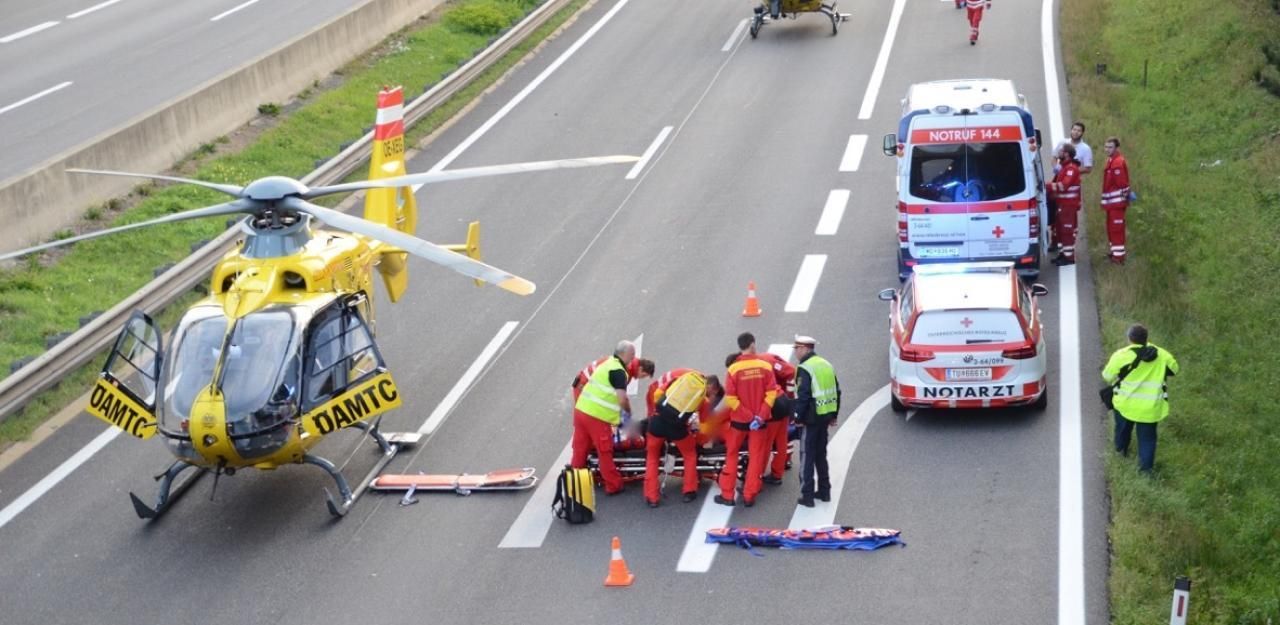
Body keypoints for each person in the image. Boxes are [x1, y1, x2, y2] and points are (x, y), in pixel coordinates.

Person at [1102, 324, 1179, 473]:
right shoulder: (1162, 354)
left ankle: (1121, 453)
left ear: (1130, 339)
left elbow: (1107, 376)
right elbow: (1175, 369)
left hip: (1125, 404)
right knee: (1148, 440)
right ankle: (1146, 471)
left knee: (1122, 431)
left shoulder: (1121, 355)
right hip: (1150, 407)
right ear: (1146, 338)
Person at [643, 369, 723, 507]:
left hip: (657, 423)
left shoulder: (680, 381)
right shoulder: (702, 399)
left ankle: (652, 497)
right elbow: (704, 427)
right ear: (712, 387)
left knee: (652, 458)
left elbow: (657, 395)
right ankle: (689, 491)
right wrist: (699, 439)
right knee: (690, 455)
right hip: (677, 428)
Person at [716, 332, 779, 507]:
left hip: (739, 422)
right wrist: (759, 416)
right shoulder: (765, 366)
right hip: (760, 423)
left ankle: (727, 495)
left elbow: (731, 399)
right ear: (752, 344)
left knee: (732, 455)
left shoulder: (733, 369)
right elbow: (772, 393)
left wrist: (747, 416)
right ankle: (749, 495)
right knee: (756, 457)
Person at [571, 340, 638, 495]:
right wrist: (628, 412)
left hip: (581, 411)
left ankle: (574, 482)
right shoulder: (619, 371)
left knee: (581, 449)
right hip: (596, 417)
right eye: (632, 355)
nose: (633, 358)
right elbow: (622, 399)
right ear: (625, 354)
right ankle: (613, 485)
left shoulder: (607, 364)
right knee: (605, 451)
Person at [729, 335, 797, 486]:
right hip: (783, 403)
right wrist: (788, 395)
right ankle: (777, 474)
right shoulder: (766, 360)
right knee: (781, 441)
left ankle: (756, 478)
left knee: (764, 445)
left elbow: (791, 372)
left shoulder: (761, 363)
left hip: (774, 405)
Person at [792, 335, 841, 508]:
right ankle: (824, 491)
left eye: (796, 348)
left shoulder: (805, 368)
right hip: (825, 416)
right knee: (821, 456)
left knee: (807, 456)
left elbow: (803, 396)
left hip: (811, 420)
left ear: (805, 348)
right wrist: (834, 414)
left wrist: (797, 417)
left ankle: (807, 496)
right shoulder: (826, 364)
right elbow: (836, 391)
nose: (795, 352)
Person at [1048, 143, 1083, 266]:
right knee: (1061, 230)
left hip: (1068, 206)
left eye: (1061, 151)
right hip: (1063, 205)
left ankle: (1069, 258)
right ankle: (1063, 254)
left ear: (1066, 154)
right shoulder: (1064, 168)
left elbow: (1063, 186)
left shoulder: (1071, 169)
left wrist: (1046, 186)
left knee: (1067, 231)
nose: (1059, 153)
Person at [1101, 136, 1131, 264]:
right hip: (1112, 203)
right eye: (1106, 147)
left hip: (1117, 203)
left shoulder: (1117, 162)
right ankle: (1115, 252)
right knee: (1111, 228)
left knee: (1116, 229)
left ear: (1116, 148)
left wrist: (1126, 195)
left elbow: (1122, 183)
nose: (1107, 149)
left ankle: (1118, 258)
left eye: (1110, 147)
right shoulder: (1111, 160)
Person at [571, 355, 651, 403]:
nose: (640, 378)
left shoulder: (625, 359)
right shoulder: (625, 373)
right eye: (643, 376)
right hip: (584, 389)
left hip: (582, 382)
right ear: (640, 369)